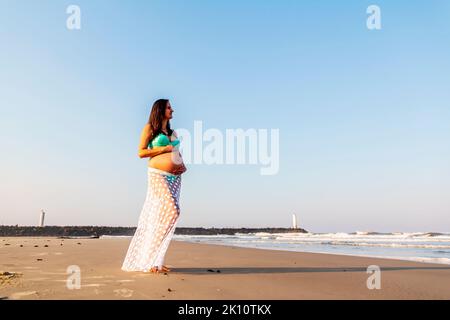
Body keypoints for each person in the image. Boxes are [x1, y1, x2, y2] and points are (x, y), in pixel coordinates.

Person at [121, 99, 187, 274]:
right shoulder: (150, 128)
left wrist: (182, 164)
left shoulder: (172, 132)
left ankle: (157, 261)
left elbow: (176, 151)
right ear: (160, 110)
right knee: (173, 211)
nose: (172, 109)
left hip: (175, 178)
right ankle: (150, 259)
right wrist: (163, 150)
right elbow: (141, 152)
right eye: (168, 107)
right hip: (158, 175)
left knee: (163, 218)